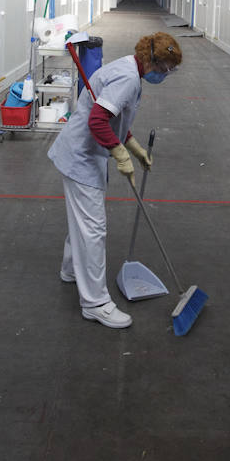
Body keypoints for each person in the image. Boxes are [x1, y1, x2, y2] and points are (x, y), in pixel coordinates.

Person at [48, 31, 184, 328]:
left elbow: (112, 116)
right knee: (93, 229)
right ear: (153, 61)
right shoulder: (129, 78)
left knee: (81, 223)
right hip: (81, 158)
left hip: (80, 153)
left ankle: (71, 271)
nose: (166, 74)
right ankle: (95, 303)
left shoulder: (128, 66)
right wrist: (120, 154)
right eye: (165, 68)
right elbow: (97, 120)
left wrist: (133, 147)